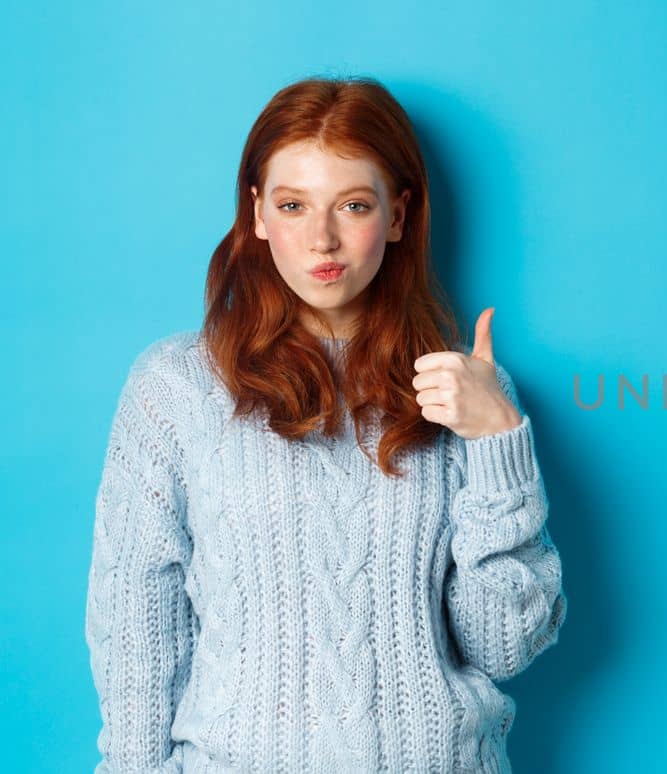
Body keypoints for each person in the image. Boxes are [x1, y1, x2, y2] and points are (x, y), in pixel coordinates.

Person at [85, 75, 566, 773]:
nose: (322, 237)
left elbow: (503, 646)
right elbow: (136, 633)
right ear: (257, 214)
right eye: (293, 204)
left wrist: (498, 440)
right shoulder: (176, 388)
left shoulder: (461, 387)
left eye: (354, 204)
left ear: (399, 216)